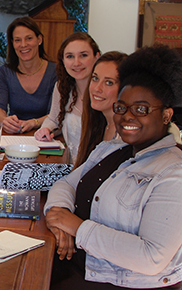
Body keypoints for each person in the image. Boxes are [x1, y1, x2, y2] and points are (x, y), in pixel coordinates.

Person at [45, 45, 182, 289]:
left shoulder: (174, 173)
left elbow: (151, 258)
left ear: (166, 115)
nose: (127, 116)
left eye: (141, 109)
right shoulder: (110, 149)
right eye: (122, 108)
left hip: (119, 283)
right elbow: (66, 183)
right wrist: (58, 215)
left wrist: (77, 228)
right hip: (75, 267)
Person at [35, 32, 101, 164]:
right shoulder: (62, 87)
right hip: (70, 166)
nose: (76, 63)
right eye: (70, 56)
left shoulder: (103, 92)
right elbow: (54, 118)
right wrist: (45, 129)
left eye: (83, 55)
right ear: (63, 61)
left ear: (96, 57)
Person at [0, 16, 57, 134]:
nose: (23, 45)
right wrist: (5, 121)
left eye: (29, 38)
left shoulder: (56, 72)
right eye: (17, 40)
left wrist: (34, 122)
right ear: (12, 43)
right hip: (14, 134)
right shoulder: (4, 72)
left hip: (46, 136)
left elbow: (57, 113)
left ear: (39, 39)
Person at [74, 51, 127, 167]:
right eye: (95, 78)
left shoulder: (125, 135)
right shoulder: (99, 121)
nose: (97, 88)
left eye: (109, 82)